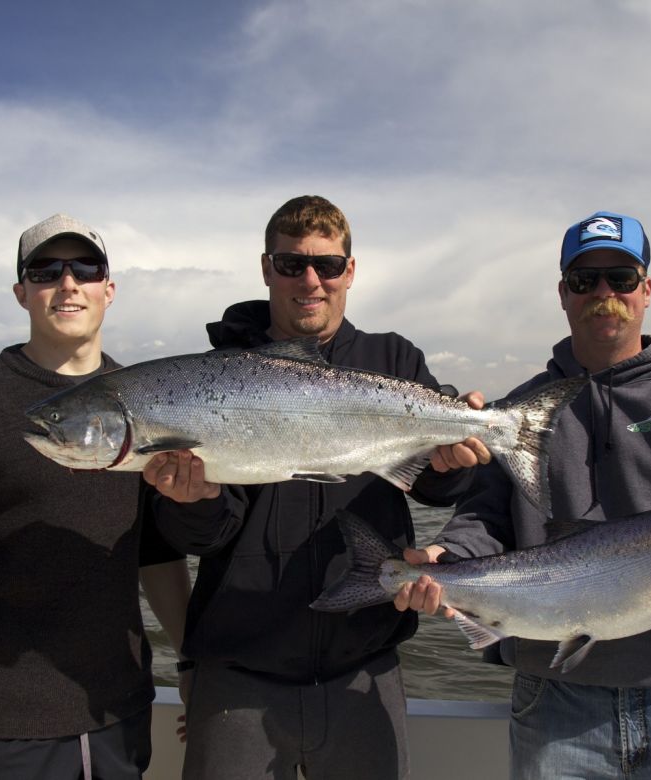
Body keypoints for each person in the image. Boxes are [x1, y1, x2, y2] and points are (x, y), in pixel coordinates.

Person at [396, 211, 651, 779]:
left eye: (620, 277)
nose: (603, 293)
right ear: (562, 294)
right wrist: (451, 558)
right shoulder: (515, 412)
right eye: (584, 280)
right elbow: (486, 516)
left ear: (647, 289)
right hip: (553, 700)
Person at [141, 195, 489, 780]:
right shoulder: (212, 379)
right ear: (265, 268)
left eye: (327, 266)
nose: (310, 280)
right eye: (290, 264)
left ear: (349, 271)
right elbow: (211, 529)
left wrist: (457, 463)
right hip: (238, 677)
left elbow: (431, 486)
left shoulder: (393, 359)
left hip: (365, 667)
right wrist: (192, 500)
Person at [0, 214, 192, 780]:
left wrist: (192, 664)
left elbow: (157, 553)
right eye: (46, 270)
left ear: (109, 288)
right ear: (21, 292)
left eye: (86, 268)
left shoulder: (152, 401)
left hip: (120, 713)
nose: (68, 283)